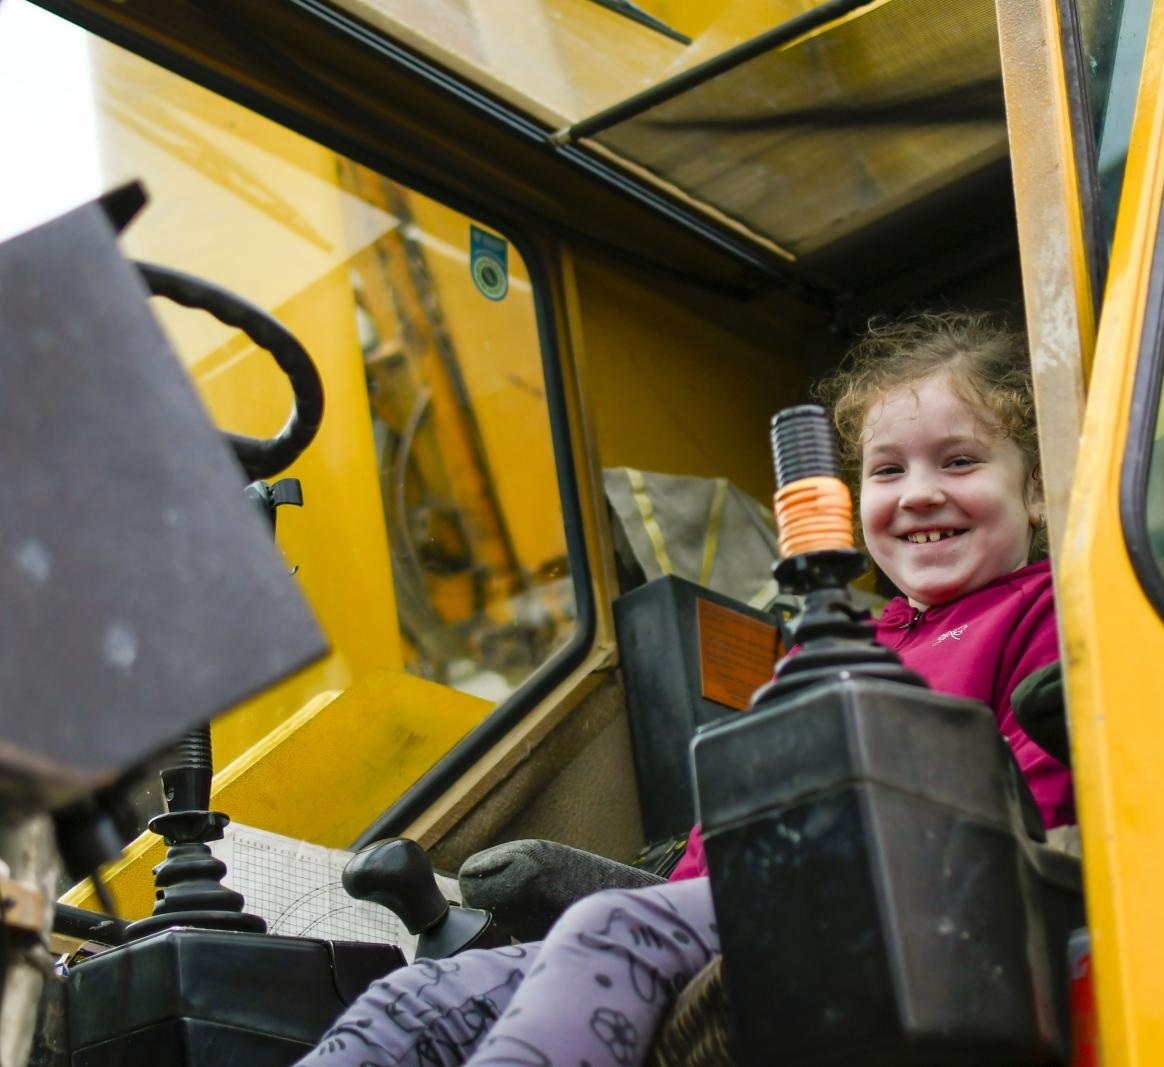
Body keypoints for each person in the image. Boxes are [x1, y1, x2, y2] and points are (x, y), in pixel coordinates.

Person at [295, 310, 1073, 1067]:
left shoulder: (1046, 612)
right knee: (419, 994)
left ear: (1037, 488)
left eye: (960, 461)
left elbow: (1026, 809)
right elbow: (723, 834)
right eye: (888, 470)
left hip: (910, 905)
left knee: (604, 930)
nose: (919, 493)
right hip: (754, 908)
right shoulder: (842, 646)